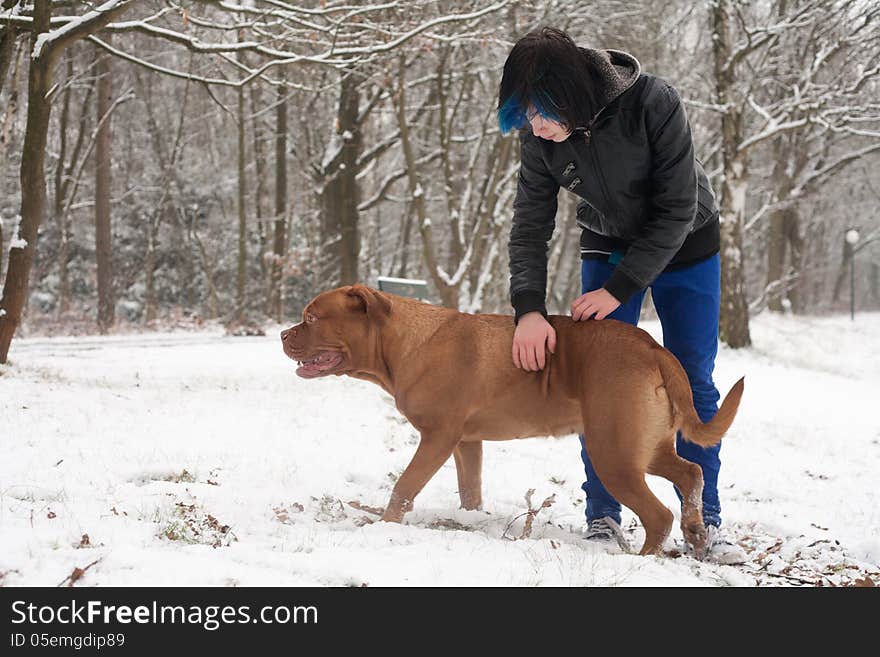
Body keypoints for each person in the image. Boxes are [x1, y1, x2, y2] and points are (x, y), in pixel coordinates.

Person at [498, 26, 745, 564]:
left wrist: (619, 289)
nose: (534, 127)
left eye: (540, 113)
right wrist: (529, 310)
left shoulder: (654, 103)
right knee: (596, 376)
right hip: (608, 241)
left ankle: (707, 520)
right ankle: (603, 516)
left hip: (687, 243)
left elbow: (678, 209)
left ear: (571, 93)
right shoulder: (540, 137)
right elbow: (529, 226)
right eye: (526, 118)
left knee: (692, 374)